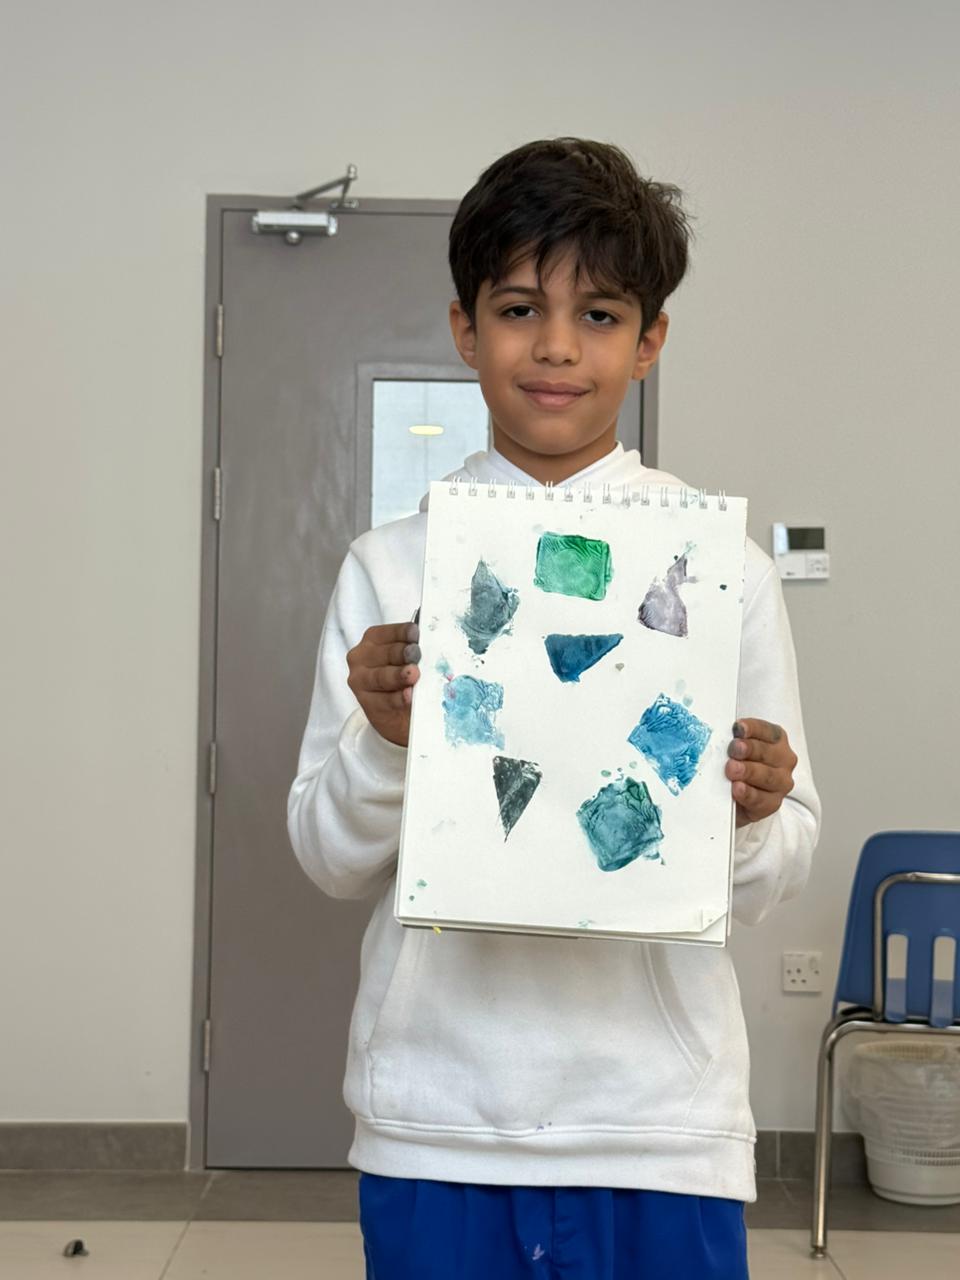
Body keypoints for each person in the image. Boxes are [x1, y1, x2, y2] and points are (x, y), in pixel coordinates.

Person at [287, 137, 821, 1279]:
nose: (557, 347)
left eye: (601, 314)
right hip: (436, 1116)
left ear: (650, 341)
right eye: (521, 308)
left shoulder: (718, 572)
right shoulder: (393, 570)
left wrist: (752, 810)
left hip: (660, 1124)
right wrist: (385, 742)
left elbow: (777, 869)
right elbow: (327, 856)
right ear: (465, 328)